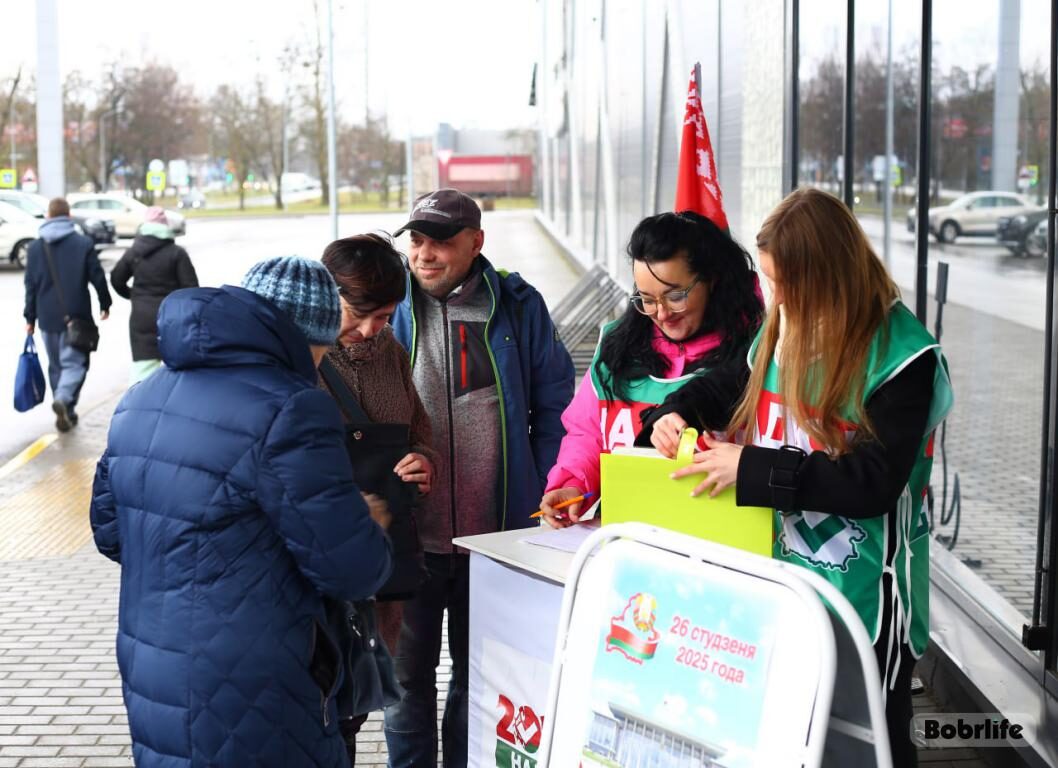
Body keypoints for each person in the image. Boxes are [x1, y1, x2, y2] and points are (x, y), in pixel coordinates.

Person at [639, 188, 953, 767]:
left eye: (785, 282)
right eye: (769, 280)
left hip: (866, 596)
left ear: (828, 273)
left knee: (869, 745)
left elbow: (873, 481)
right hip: (782, 582)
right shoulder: (784, 325)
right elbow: (729, 383)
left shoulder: (901, 355)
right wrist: (672, 412)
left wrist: (751, 469)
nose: (774, 297)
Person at [89, 256, 393, 768]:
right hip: (257, 683)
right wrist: (368, 523)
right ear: (302, 338)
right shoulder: (291, 407)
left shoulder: (140, 399)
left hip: (153, 667)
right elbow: (352, 568)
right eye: (322, 347)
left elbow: (110, 532)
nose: (321, 362)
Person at [384, 188, 575, 767]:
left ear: (476, 242)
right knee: (404, 688)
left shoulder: (517, 305)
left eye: (442, 240)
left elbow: (558, 410)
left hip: (492, 544)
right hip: (411, 545)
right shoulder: (388, 305)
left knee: (478, 682)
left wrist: (539, 493)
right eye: (417, 239)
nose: (426, 253)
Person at [537, 210, 763, 528]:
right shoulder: (616, 348)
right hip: (628, 538)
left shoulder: (756, 354)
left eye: (675, 296)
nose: (661, 313)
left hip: (721, 543)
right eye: (646, 299)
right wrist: (573, 485)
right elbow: (587, 432)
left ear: (712, 280)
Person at [318, 233, 437, 765]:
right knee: (320, 708)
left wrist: (422, 459)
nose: (369, 331)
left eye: (384, 317)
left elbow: (418, 428)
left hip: (381, 571)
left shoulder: (392, 354)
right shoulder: (301, 357)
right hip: (321, 572)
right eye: (358, 313)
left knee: (354, 707)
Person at [22, 197, 111, 431]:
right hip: (77, 316)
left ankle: (66, 410)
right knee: (75, 364)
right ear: (69, 216)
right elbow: (97, 277)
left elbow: (30, 286)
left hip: (47, 319)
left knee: (57, 367)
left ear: (49, 217)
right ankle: (63, 400)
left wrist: (30, 318)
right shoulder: (82, 244)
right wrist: (105, 302)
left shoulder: (34, 248)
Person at [110, 205, 198, 383]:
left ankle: (137, 407)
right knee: (176, 370)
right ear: (166, 227)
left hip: (141, 317)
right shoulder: (177, 253)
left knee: (142, 372)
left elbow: (116, 279)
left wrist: (133, 295)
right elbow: (191, 290)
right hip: (171, 317)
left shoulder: (134, 252)